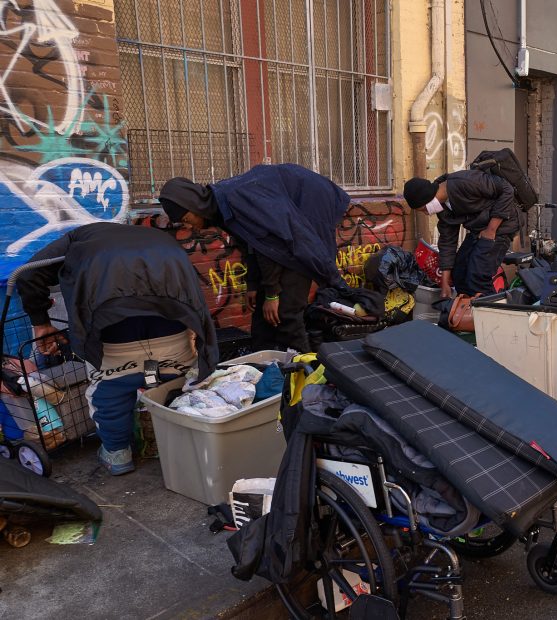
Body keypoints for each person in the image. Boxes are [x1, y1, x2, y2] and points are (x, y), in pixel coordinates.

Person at [17, 223, 218, 475]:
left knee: (110, 393)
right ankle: (177, 440)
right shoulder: (158, 238)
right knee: (164, 380)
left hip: (115, 336)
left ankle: (117, 454)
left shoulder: (76, 240)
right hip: (172, 330)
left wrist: (41, 323)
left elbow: (27, 275)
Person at [160, 164, 350, 353]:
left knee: (286, 313)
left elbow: (272, 246)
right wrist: (253, 285)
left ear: (194, 204)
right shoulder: (220, 206)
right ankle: (263, 367)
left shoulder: (235, 199)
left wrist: (272, 294)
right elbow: (251, 243)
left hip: (308, 204)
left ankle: (305, 370)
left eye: (186, 219)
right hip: (283, 230)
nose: (189, 227)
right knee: (263, 314)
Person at [403, 170, 519, 299]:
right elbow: (447, 241)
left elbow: (507, 189)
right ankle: (467, 312)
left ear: (426, 199)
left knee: (478, 275)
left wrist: (491, 229)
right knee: (459, 272)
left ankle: (492, 315)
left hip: (501, 226)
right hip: (478, 230)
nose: (426, 213)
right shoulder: (443, 209)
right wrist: (445, 282)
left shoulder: (464, 182)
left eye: (423, 209)